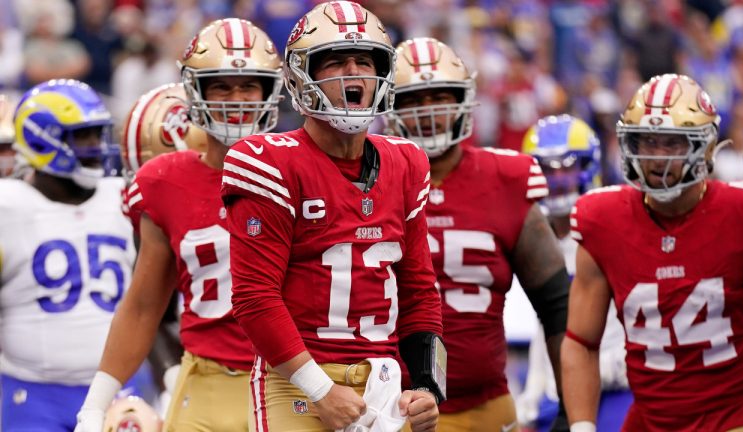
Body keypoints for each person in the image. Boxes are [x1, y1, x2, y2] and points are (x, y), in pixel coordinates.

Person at [220, 3, 443, 432]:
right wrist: (320, 389)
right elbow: (254, 297)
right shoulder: (267, 161)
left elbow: (418, 290)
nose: (353, 73)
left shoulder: (408, 162)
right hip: (298, 382)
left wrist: (429, 387)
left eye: (364, 61)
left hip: (384, 382)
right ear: (302, 76)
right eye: (335, 62)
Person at [75, 18, 283, 432]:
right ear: (194, 93)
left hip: (291, 382)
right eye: (221, 86)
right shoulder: (166, 181)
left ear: (270, 90)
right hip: (206, 379)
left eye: (248, 85)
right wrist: (94, 407)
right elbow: (143, 306)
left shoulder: (304, 170)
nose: (236, 99)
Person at [562, 73, 743, 432]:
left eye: (672, 143)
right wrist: (582, 426)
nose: (656, 157)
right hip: (650, 417)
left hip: (734, 414)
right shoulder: (602, 220)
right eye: (647, 140)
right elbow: (581, 342)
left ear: (704, 147)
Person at [387, 37, 570, 432]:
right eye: (414, 99)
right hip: (388, 404)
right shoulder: (365, 178)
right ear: (390, 105)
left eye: (440, 97)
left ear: (464, 101)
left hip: (485, 405)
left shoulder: (504, 179)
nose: (428, 112)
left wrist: (571, 408)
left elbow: (558, 305)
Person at [0, 79, 136, 431]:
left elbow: (150, 303)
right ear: (42, 138)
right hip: (30, 394)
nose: (95, 147)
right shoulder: (9, 207)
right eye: (83, 136)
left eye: (97, 134)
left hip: (119, 392)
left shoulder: (123, 197)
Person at [517, 115, 632, 431]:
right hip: (560, 390)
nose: (557, 179)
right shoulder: (537, 240)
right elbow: (546, 329)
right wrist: (531, 401)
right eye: (547, 169)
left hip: (617, 385)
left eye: (567, 166)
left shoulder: (612, 229)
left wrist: (601, 369)